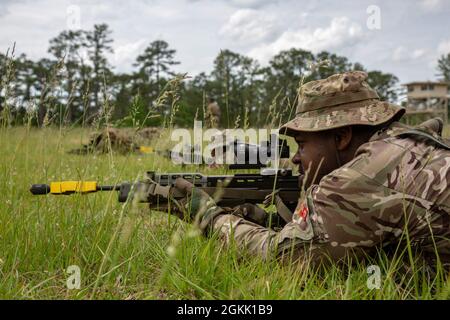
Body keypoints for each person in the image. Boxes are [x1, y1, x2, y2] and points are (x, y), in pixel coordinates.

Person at [150, 71, 450, 270]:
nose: (295, 159)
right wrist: (268, 221)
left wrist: (209, 217)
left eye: (302, 144)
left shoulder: (360, 178)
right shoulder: (409, 142)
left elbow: (287, 259)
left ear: (342, 136)